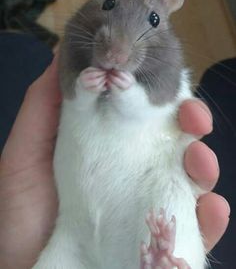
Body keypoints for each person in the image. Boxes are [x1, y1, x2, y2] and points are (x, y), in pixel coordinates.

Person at [0, 48, 230, 269]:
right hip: (71, 234)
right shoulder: (82, 64)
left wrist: (128, 95)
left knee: (171, 210)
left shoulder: (168, 73)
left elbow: (157, 108)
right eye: (108, 5)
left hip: (142, 218)